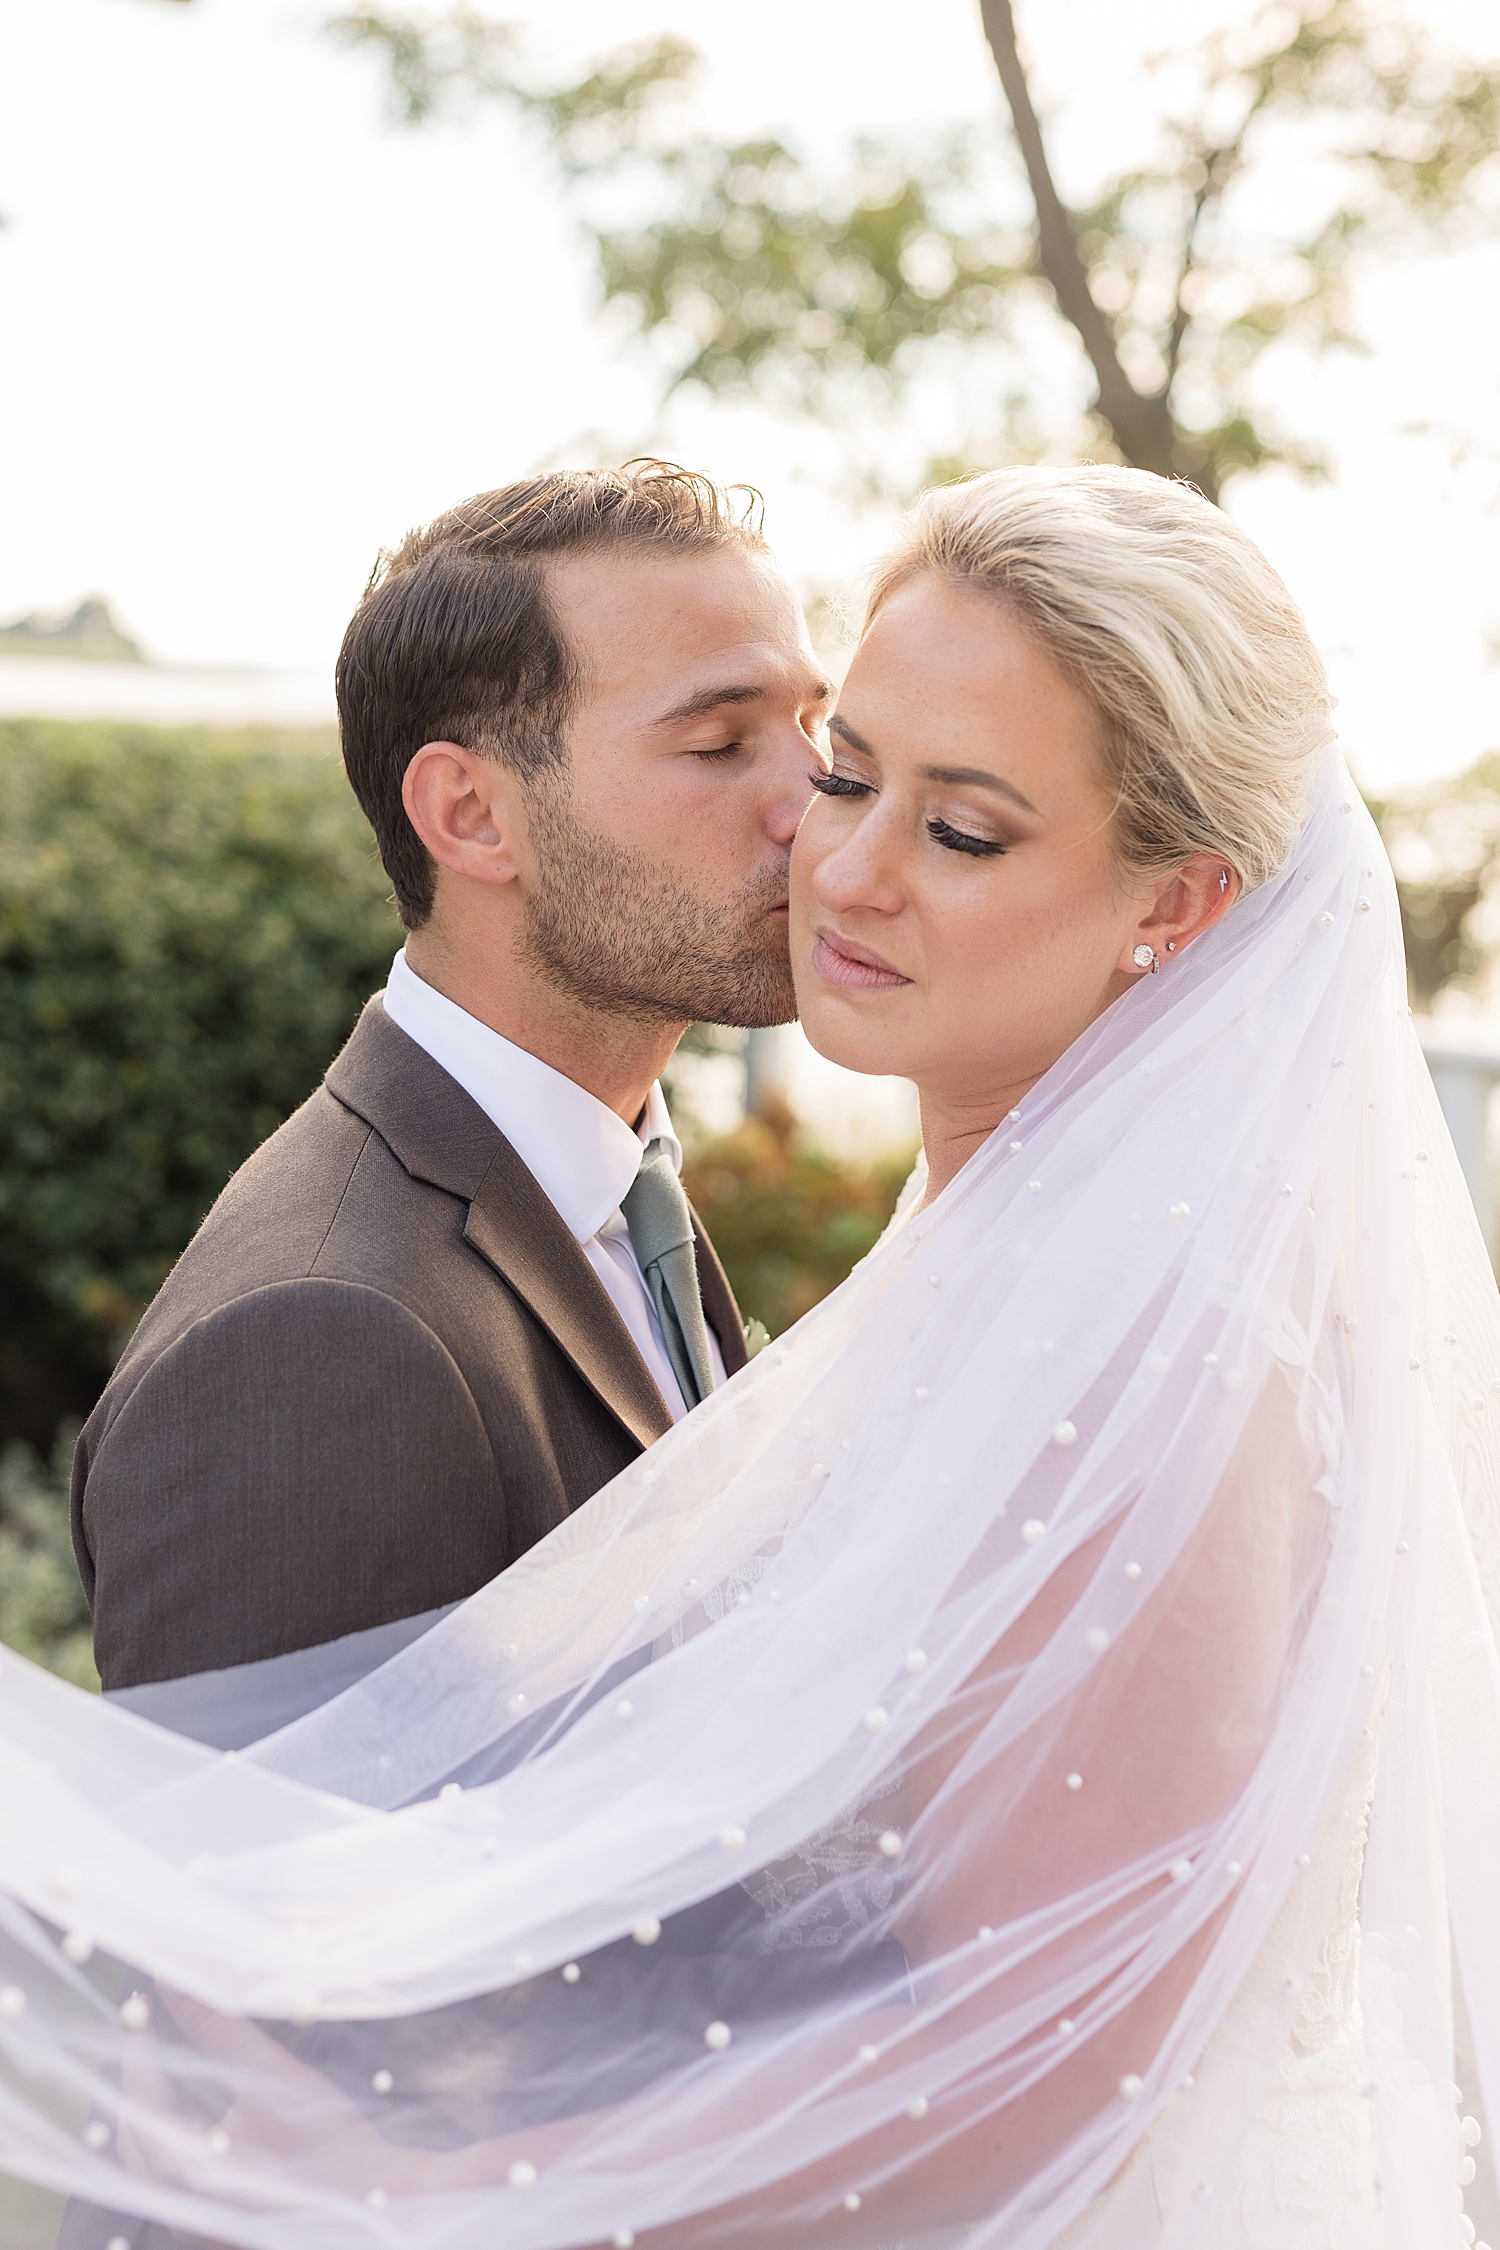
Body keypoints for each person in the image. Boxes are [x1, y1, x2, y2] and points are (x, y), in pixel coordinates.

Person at [5, 465, 1497, 2250]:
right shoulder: (324, 1337)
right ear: (469, 814)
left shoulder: (1148, 1359)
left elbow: (1046, 2066)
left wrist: (427, 2194)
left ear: (1173, 906)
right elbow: (276, 2052)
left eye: (953, 820)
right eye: (793, 758)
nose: (824, 837)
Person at [69, 462, 831, 1703]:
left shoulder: (618, 1188)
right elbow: (270, 1890)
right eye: (720, 741)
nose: (816, 803)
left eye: (814, 729)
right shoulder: (309, 1345)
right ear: (471, 815)